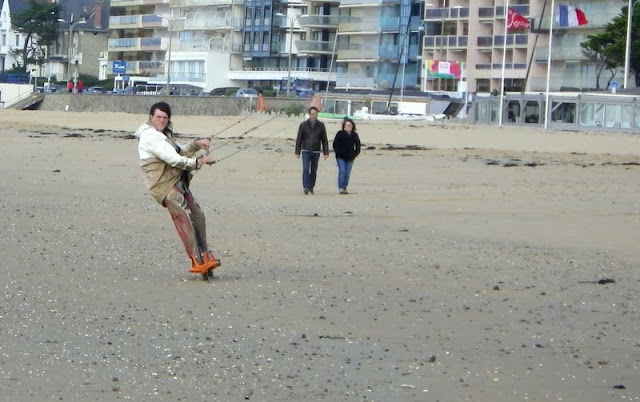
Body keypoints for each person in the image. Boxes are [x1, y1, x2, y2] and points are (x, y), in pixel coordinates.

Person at [136, 101, 220, 276]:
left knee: (197, 214)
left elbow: (180, 152)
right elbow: (173, 159)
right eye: (158, 117)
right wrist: (199, 162)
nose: (162, 120)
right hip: (162, 186)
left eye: (165, 117)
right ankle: (196, 259)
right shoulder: (149, 136)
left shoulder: (164, 136)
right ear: (151, 117)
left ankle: (205, 254)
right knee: (184, 218)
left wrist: (197, 144)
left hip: (176, 180)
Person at [295, 106, 329, 195]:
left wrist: (326, 152)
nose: (314, 116)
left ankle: (311, 187)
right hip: (306, 150)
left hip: (316, 150)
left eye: (315, 114)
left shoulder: (321, 125)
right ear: (309, 114)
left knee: (313, 170)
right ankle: (305, 187)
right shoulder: (303, 125)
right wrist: (297, 152)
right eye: (312, 114)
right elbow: (299, 139)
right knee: (306, 169)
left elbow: (324, 139)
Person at [332, 118, 361, 194]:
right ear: (344, 126)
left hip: (350, 157)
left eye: (350, 125)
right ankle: (341, 188)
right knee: (342, 171)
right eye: (347, 125)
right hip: (340, 157)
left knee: (347, 173)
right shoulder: (340, 133)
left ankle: (344, 187)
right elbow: (335, 144)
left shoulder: (354, 135)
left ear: (352, 126)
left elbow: (358, 146)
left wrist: (355, 154)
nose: (349, 126)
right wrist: (338, 153)